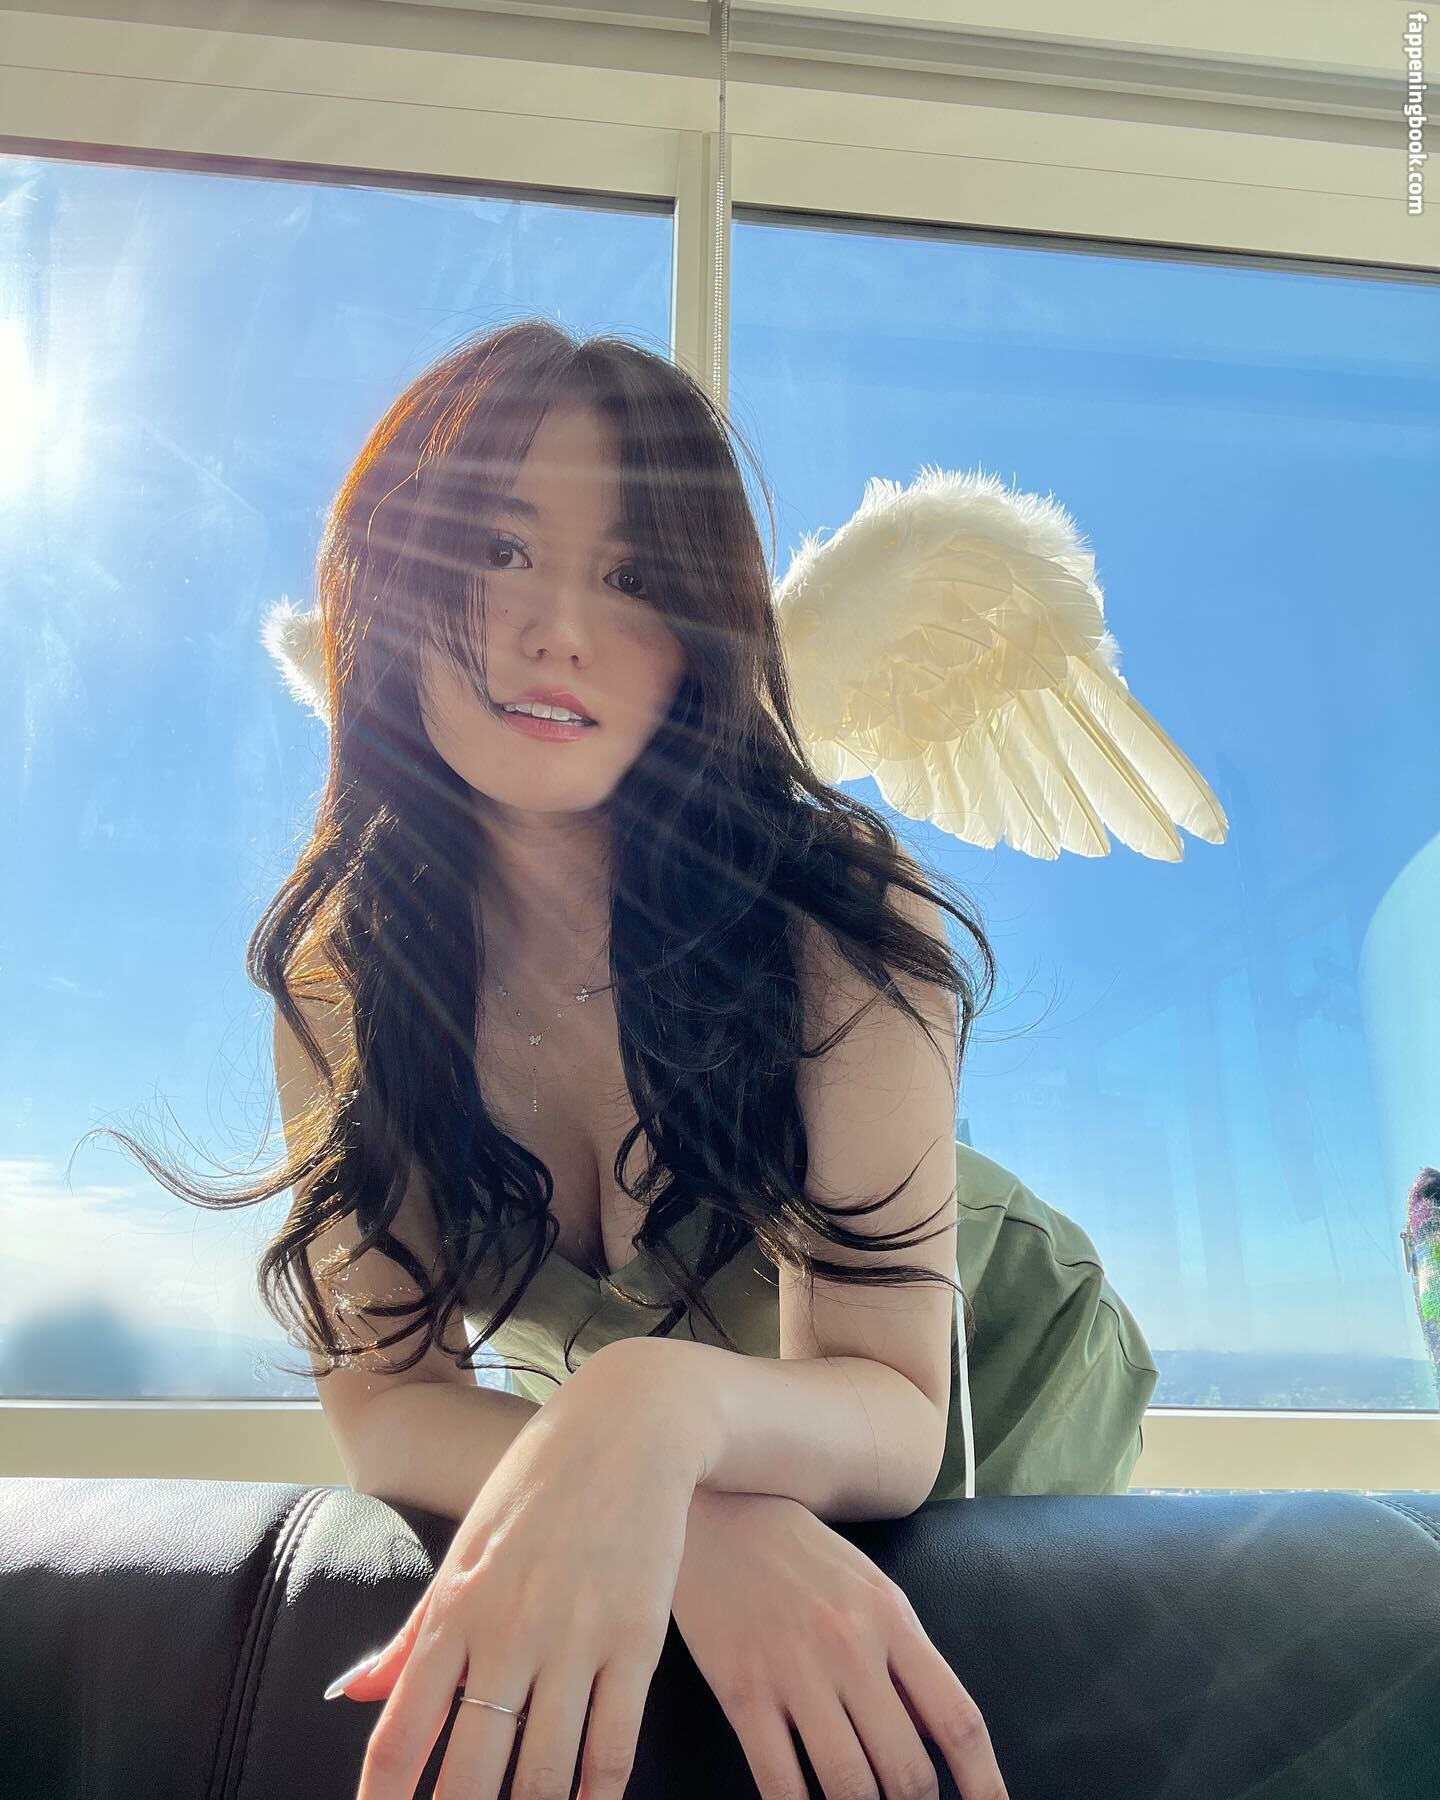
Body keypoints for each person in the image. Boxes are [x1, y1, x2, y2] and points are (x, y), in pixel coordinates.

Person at [104, 320, 1153, 1799]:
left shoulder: (833, 916)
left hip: (977, 1353)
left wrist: (644, 1411)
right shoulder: (346, 980)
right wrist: (671, 1508)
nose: (559, 630)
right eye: (498, 550)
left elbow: (895, 1408)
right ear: (389, 579)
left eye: (636, 575)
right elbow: (387, 1398)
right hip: (682, 1450)